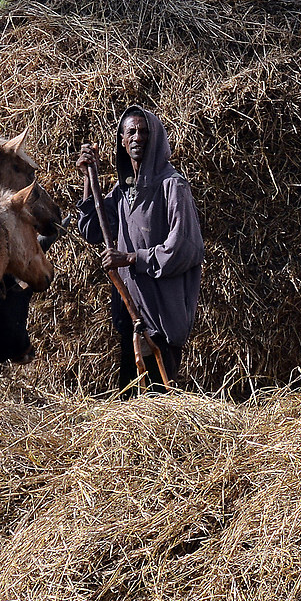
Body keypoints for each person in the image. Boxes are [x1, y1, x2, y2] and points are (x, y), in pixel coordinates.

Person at [77, 106, 203, 394]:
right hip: (131, 312)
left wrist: (133, 258)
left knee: (160, 398)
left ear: (156, 138)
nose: (138, 137)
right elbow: (93, 231)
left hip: (160, 312)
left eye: (144, 132)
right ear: (121, 140)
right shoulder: (123, 192)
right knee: (131, 399)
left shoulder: (172, 186)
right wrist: (88, 178)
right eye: (131, 132)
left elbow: (184, 247)